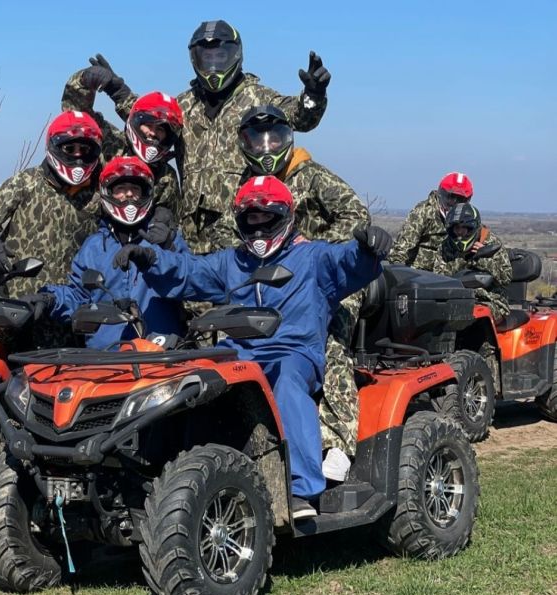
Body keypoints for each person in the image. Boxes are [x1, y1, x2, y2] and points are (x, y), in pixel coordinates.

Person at [113, 176, 391, 518]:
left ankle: (301, 490)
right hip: (240, 353)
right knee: (192, 382)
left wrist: (367, 248)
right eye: (250, 220)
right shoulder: (233, 262)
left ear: (285, 217)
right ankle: (167, 472)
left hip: (294, 353)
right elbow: (190, 272)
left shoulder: (313, 257)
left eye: (266, 218)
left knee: (288, 383)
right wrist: (151, 259)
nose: (258, 230)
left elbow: (349, 262)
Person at [87, 19, 330, 253]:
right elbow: (148, 120)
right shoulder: (185, 104)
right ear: (195, 58)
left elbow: (300, 118)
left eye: (220, 56)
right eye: (207, 57)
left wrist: (314, 95)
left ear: (234, 55)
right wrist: (117, 90)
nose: (213, 65)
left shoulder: (258, 98)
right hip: (191, 234)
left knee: (238, 291)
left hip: (245, 230)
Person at [237, 105, 369, 475]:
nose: (266, 149)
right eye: (256, 141)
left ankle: (338, 442)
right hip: (269, 283)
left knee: (330, 340)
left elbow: (356, 215)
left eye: (274, 139)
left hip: (326, 279)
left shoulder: (309, 176)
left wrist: (318, 249)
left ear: (288, 139)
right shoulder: (246, 183)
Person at [22, 156, 187, 348]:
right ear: (108, 193)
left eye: (135, 189)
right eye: (120, 189)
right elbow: (80, 295)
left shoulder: (165, 239)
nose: (128, 195)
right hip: (106, 357)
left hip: (160, 352)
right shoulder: (93, 247)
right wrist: (51, 299)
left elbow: (192, 282)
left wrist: (169, 249)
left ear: (146, 194)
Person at [0, 110, 105, 298]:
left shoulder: (99, 193)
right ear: (54, 147)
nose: (77, 156)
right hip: (10, 303)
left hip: (63, 308)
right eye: (69, 149)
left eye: (84, 150)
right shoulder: (28, 182)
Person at [61, 67, 183, 218]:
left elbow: (173, 221)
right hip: (89, 233)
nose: (152, 133)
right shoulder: (110, 144)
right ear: (137, 123)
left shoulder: (166, 177)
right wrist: (83, 80)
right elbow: (75, 118)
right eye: (148, 125)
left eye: (160, 129)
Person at [433, 202, 512, 323]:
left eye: (463, 228)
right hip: (455, 298)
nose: (459, 232)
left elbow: (506, 277)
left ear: (472, 227)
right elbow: (438, 277)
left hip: (490, 300)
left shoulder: (491, 243)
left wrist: (481, 259)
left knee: (473, 318)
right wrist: (464, 259)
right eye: (456, 228)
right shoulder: (446, 245)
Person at [389, 172, 474, 270]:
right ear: (441, 194)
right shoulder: (424, 212)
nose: (453, 203)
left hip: (448, 274)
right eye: (450, 197)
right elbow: (402, 247)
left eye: (459, 199)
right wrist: (399, 270)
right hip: (417, 274)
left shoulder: (468, 218)